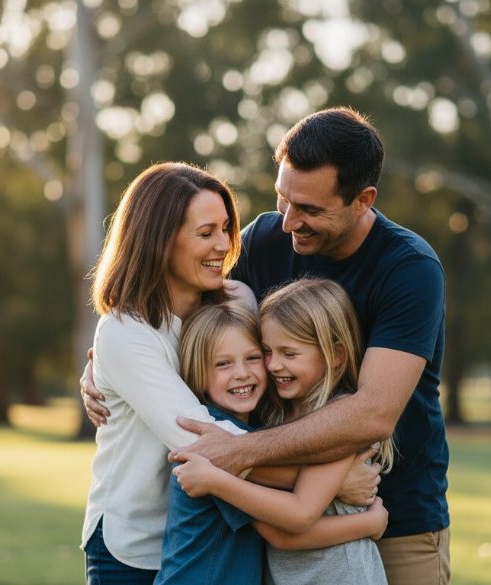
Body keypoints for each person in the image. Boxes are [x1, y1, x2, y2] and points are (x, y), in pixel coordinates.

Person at [83, 107, 450, 584]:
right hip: (270, 516)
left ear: (363, 200)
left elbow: (373, 414)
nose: (289, 222)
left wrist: (244, 454)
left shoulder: (409, 270)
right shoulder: (267, 241)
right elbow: (186, 316)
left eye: (310, 210)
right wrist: (99, 368)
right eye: (284, 200)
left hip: (391, 512)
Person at [80, 161, 255, 585]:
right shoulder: (125, 331)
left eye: (226, 228)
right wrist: (327, 476)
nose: (223, 245)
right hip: (132, 549)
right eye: (205, 233)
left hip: (209, 531)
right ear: (161, 241)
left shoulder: (237, 301)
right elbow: (200, 440)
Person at [170, 279, 391, 585]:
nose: (273, 365)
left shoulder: (338, 421)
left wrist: (216, 478)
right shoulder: (271, 416)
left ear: (336, 354)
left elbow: (297, 517)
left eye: (289, 353)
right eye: (267, 352)